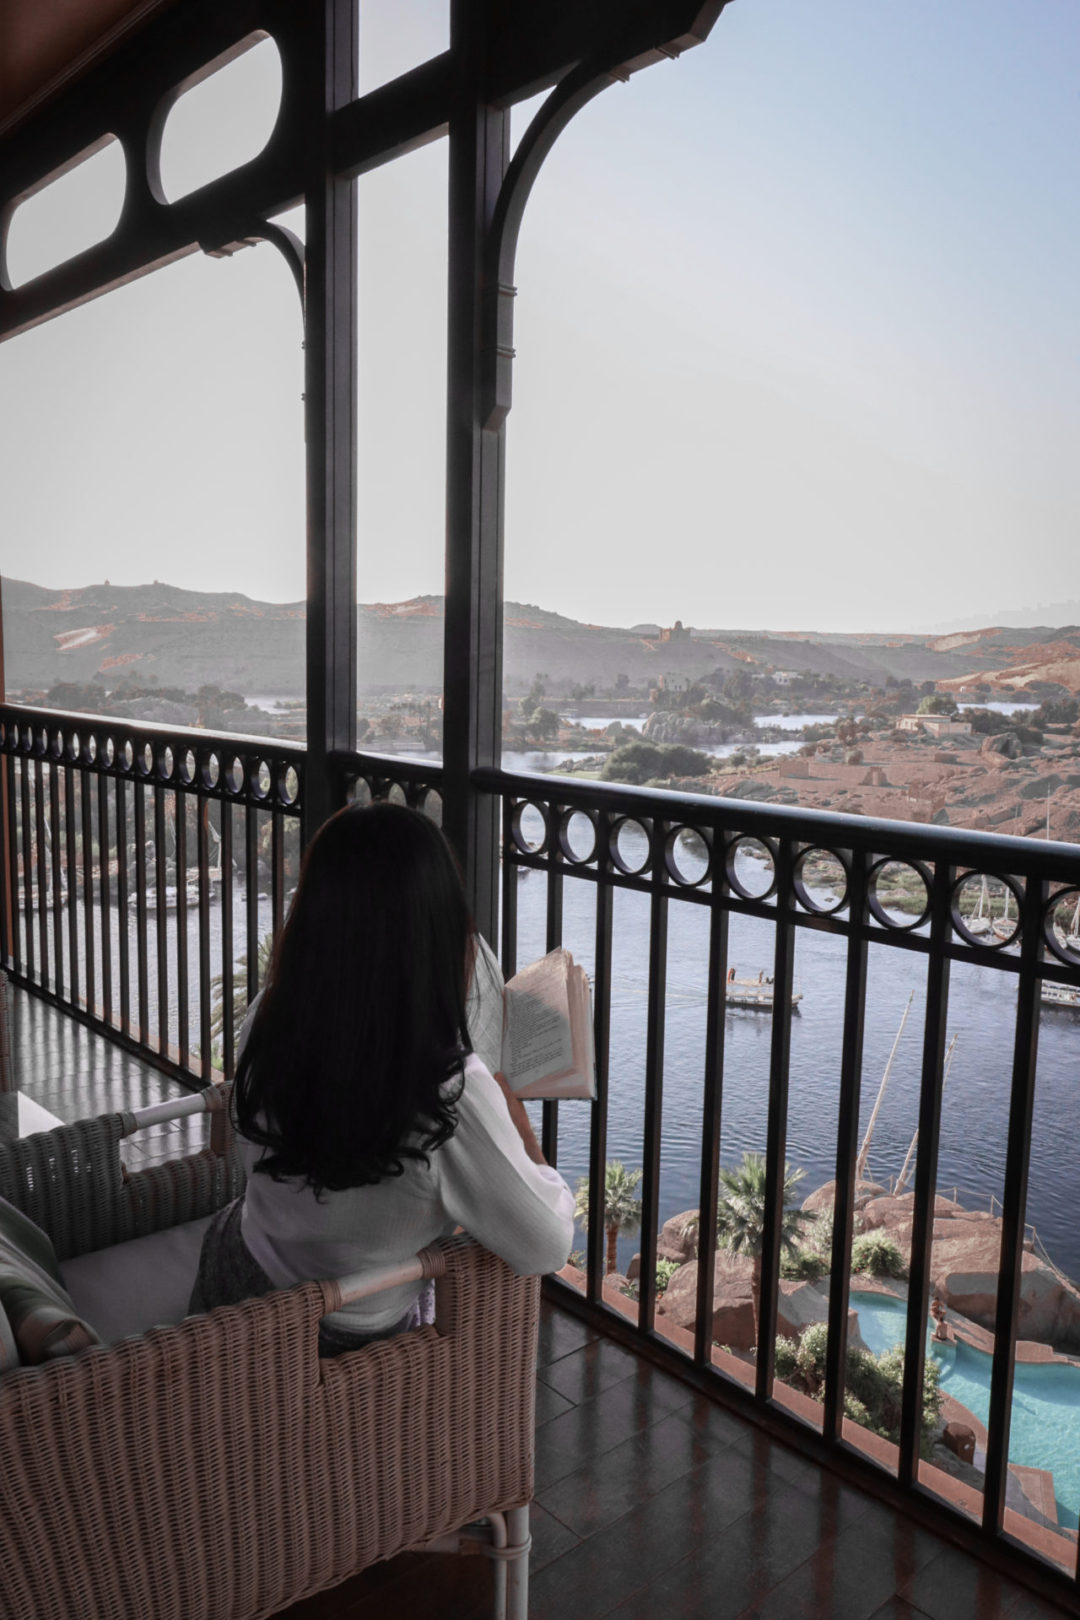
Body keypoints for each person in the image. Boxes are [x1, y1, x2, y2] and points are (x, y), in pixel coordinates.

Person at [190, 800, 574, 1353]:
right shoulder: (446, 1089)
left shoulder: (273, 1014)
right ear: (437, 932)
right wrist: (511, 1112)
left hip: (236, 1281)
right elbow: (547, 1245)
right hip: (341, 1341)